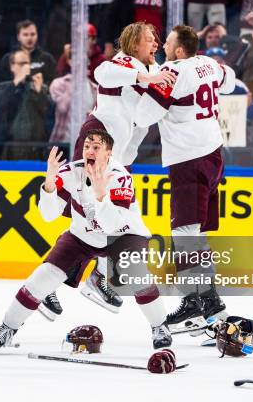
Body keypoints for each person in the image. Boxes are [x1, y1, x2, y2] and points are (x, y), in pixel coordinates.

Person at [0, 129, 171, 352]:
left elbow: (111, 226)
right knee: (43, 276)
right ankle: (7, 328)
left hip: (124, 235)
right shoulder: (71, 172)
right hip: (83, 235)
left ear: (108, 153)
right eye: (86, 146)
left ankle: (160, 327)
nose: (89, 151)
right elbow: (48, 215)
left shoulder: (119, 176)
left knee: (137, 273)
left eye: (96, 147)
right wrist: (50, 185)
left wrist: (101, 196)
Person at [38, 22, 176, 319]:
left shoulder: (153, 69)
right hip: (96, 139)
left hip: (117, 154)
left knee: (112, 215)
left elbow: (141, 119)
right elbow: (102, 73)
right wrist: (145, 75)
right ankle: (53, 281)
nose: (155, 44)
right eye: (149, 40)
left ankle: (96, 275)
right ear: (133, 43)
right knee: (82, 212)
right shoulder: (125, 63)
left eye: (156, 40)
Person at [134, 25, 236, 330]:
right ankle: (202, 299)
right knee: (195, 234)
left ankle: (203, 302)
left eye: (167, 43)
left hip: (188, 159)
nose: (163, 46)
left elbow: (143, 116)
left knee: (185, 234)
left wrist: (142, 83)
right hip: (214, 155)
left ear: (179, 50)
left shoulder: (173, 71)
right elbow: (230, 80)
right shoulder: (209, 64)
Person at [0, 49, 51, 160]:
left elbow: (47, 112)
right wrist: (17, 81)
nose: (25, 67)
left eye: (27, 63)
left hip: (35, 147)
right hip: (9, 146)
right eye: (21, 64)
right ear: (12, 66)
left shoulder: (39, 88)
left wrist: (39, 92)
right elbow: (1, 104)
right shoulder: (3, 87)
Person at [0, 20, 57, 85]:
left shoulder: (47, 58)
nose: (29, 38)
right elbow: (1, 85)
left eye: (33, 34)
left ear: (37, 36)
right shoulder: (8, 59)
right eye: (25, 35)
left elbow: (54, 84)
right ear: (18, 37)